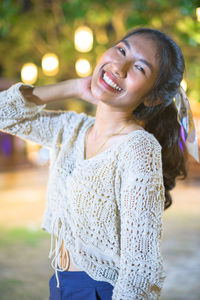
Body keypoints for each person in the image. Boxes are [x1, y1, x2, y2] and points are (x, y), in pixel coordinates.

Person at [0, 27, 198, 300]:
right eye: (121, 50)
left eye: (140, 68)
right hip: (59, 285)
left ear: (152, 98)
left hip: (100, 292)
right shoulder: (73, 128)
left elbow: (140, 271)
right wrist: (73, 86)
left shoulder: (138, 149)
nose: (120, 66)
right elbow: (3, 114)